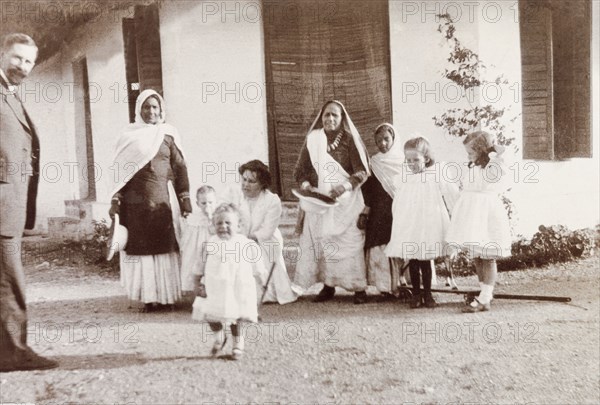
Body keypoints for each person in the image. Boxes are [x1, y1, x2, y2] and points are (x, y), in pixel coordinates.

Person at [0, 33, 59, 372]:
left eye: (29, 62)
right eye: (17, 58)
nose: (23, 67)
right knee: (11, 283)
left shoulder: (11, 95)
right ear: (3, 54)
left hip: (11, 206)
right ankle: (14, 353)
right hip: (2, 204)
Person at [109, 89, 192, 313]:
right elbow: (119, 174)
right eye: (146, 107)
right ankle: (148, 298)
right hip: (134, 204)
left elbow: (180, 168)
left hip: (162, 201)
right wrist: (115, 200)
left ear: (161, 109)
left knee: (165, 246)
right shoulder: (128, 136)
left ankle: (167, 297)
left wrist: (185, 200)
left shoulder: (168, 135)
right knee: (141, 249)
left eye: (155, 107)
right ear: (139, 110)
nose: (151, 111)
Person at [293, 100, 370, 304]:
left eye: (335, 115)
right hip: (320, 202)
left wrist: (344, 187)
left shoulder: (350, 140)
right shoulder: (313, 139)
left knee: (350, 243)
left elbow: (362, 171)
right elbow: (300, 171)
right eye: (327, 115)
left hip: (347, 201)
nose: (330, 119)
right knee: (325, 242)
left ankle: (358, 287)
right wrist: (307, 184)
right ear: (321, 117)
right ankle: (328, 286)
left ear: (342, 118)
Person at [385, 137, 459, 309]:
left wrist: (456, 211)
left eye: (416, 160)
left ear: (426, 158)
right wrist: (399, 220)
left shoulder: (434, 175)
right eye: (408, 160)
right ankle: (416, 294)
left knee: (425, 260)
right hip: (411, 223)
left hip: (428, 223)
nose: (411, 164)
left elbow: (450, 193)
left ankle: (428, 293)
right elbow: (398, 201)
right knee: (414, 259)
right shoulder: (404, 177)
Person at [446, 130, 512, 313]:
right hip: (472, 214)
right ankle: (484, 293)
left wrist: (499, 154)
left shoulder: (493, 166)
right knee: (476, 255)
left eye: (471, 152)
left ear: (482, 150)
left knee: (487, 256)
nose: (468, 156)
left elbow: (504, 165)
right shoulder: (473, 167)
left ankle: (485, 297)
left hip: (486, 215)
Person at [192, 203, 267, 360]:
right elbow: (199, 266)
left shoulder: (246, 244)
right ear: (213, 226)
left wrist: (261, 282)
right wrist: (197, 283)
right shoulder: (209, 244)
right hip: (214, 288)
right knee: (210, 314)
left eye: (228, 223)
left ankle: (238, 342)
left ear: (238, 226)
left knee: (236, 316)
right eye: (219, 223)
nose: (223, 227)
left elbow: (258, 267)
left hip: (237, 288)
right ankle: (219, 336)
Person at [238, 160, 297, 305]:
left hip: (266, 241)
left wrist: (248, 239)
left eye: (251, 181)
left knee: (262, 254)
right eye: (244, 179)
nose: (246, 184)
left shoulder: (272, 200)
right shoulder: (237, 197)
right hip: (242, 238)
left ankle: (270, 293)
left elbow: (267, 229)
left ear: (262, 184)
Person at [358, 123, 404, 298]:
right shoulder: (374, 163)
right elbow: (368, 190)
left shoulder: (403, 161)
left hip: (399, 209)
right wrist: (366, 211)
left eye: (386, 139)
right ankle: (385, 287)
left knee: (399, 243)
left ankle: (402, 285)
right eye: (379, 141)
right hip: (379, 211)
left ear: (393, 138)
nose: (383, 144)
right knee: (380, 244)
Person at [180, 185, 216, 294]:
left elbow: (215, 232)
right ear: (198, 204)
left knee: (212, 267)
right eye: (203, 203)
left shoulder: (217, 216)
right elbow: (188, 237)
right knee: (196, 267)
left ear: (215, 201)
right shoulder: (194, 219)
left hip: (212, 246)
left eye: (210, 202)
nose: (207, 206)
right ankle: (198, 293)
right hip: (197, 248)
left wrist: (211, 218)